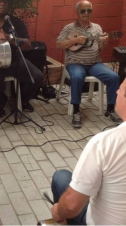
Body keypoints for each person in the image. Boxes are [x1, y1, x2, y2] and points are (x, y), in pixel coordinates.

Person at [50, 78, 126, 225]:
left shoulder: (105, 143)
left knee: (60, 178)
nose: (116, 91)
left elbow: (71, 205)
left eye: (121, 90)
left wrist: (59, 210)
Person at [56, 0, 122, 128]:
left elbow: (102, 49)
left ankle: (110, 110)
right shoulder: (69, 28)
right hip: (75, 63)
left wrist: (104, 41)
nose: (86, 13)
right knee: (77, 77)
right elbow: (58, 44)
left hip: (94, 63)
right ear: (77, 12)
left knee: (114, 77)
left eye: (89, 10)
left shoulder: (97, 28)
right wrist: (76, 40)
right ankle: (76, 111)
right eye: (83, 10)